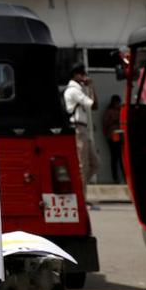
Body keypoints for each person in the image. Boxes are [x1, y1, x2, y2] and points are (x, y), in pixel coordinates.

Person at [64, 65, 98, 204]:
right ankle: (81, 199)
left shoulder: (79, 90)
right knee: (83, 165)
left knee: (95, 164)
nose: (84, 77)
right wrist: (91, 86)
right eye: (82, 74)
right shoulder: (74, 91)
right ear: (76, 75)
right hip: (78, 128)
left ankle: (77, 189)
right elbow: (94, 105)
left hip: (83, 128)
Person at [102, 95, 124, 184]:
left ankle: (125, 177)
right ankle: (115, 177)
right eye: (117, 103)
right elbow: (105, 124)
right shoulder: (109, 112)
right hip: (112, 136)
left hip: (120, 136)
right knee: (115, 157)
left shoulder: (120, 111)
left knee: (121, 157)